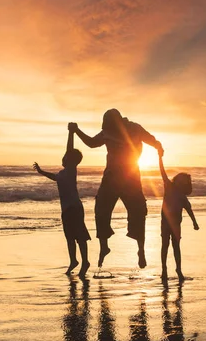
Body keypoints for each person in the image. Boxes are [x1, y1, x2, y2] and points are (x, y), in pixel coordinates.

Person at [69, 108, 163, 269]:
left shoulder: (134, 128)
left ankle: (141, 250)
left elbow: (151, 139)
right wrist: (76, 131)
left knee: (138, 212)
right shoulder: (108, 131)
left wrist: (158, 147)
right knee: (102, 210)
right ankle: (105, 246)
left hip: (129, 178)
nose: (106, 129)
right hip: (114, 178)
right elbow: (92, 143)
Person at [33, 127, 91, 277]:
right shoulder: (63, 174)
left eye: (66, 156)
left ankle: (85, 261)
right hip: (66, 210)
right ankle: (73, 261)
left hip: (74, 209)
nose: (63, 157)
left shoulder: (71, 170)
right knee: (69, 237)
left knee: (80, 237)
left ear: (70, 160)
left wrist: (71, 133)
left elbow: (69, 149)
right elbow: (55, 177)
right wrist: (41, 172)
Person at [158, 150, 199, 281]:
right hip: (165, 222)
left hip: (176, 224)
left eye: (185, 180)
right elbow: (162, 172)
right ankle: (164, 270)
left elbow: (189, 209)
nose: (182, 181)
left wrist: (195, 222)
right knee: (165, 245)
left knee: (176, 247)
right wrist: (160, 158)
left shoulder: (182, 195)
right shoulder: (168, 186)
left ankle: (178, 270)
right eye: (182, 178)